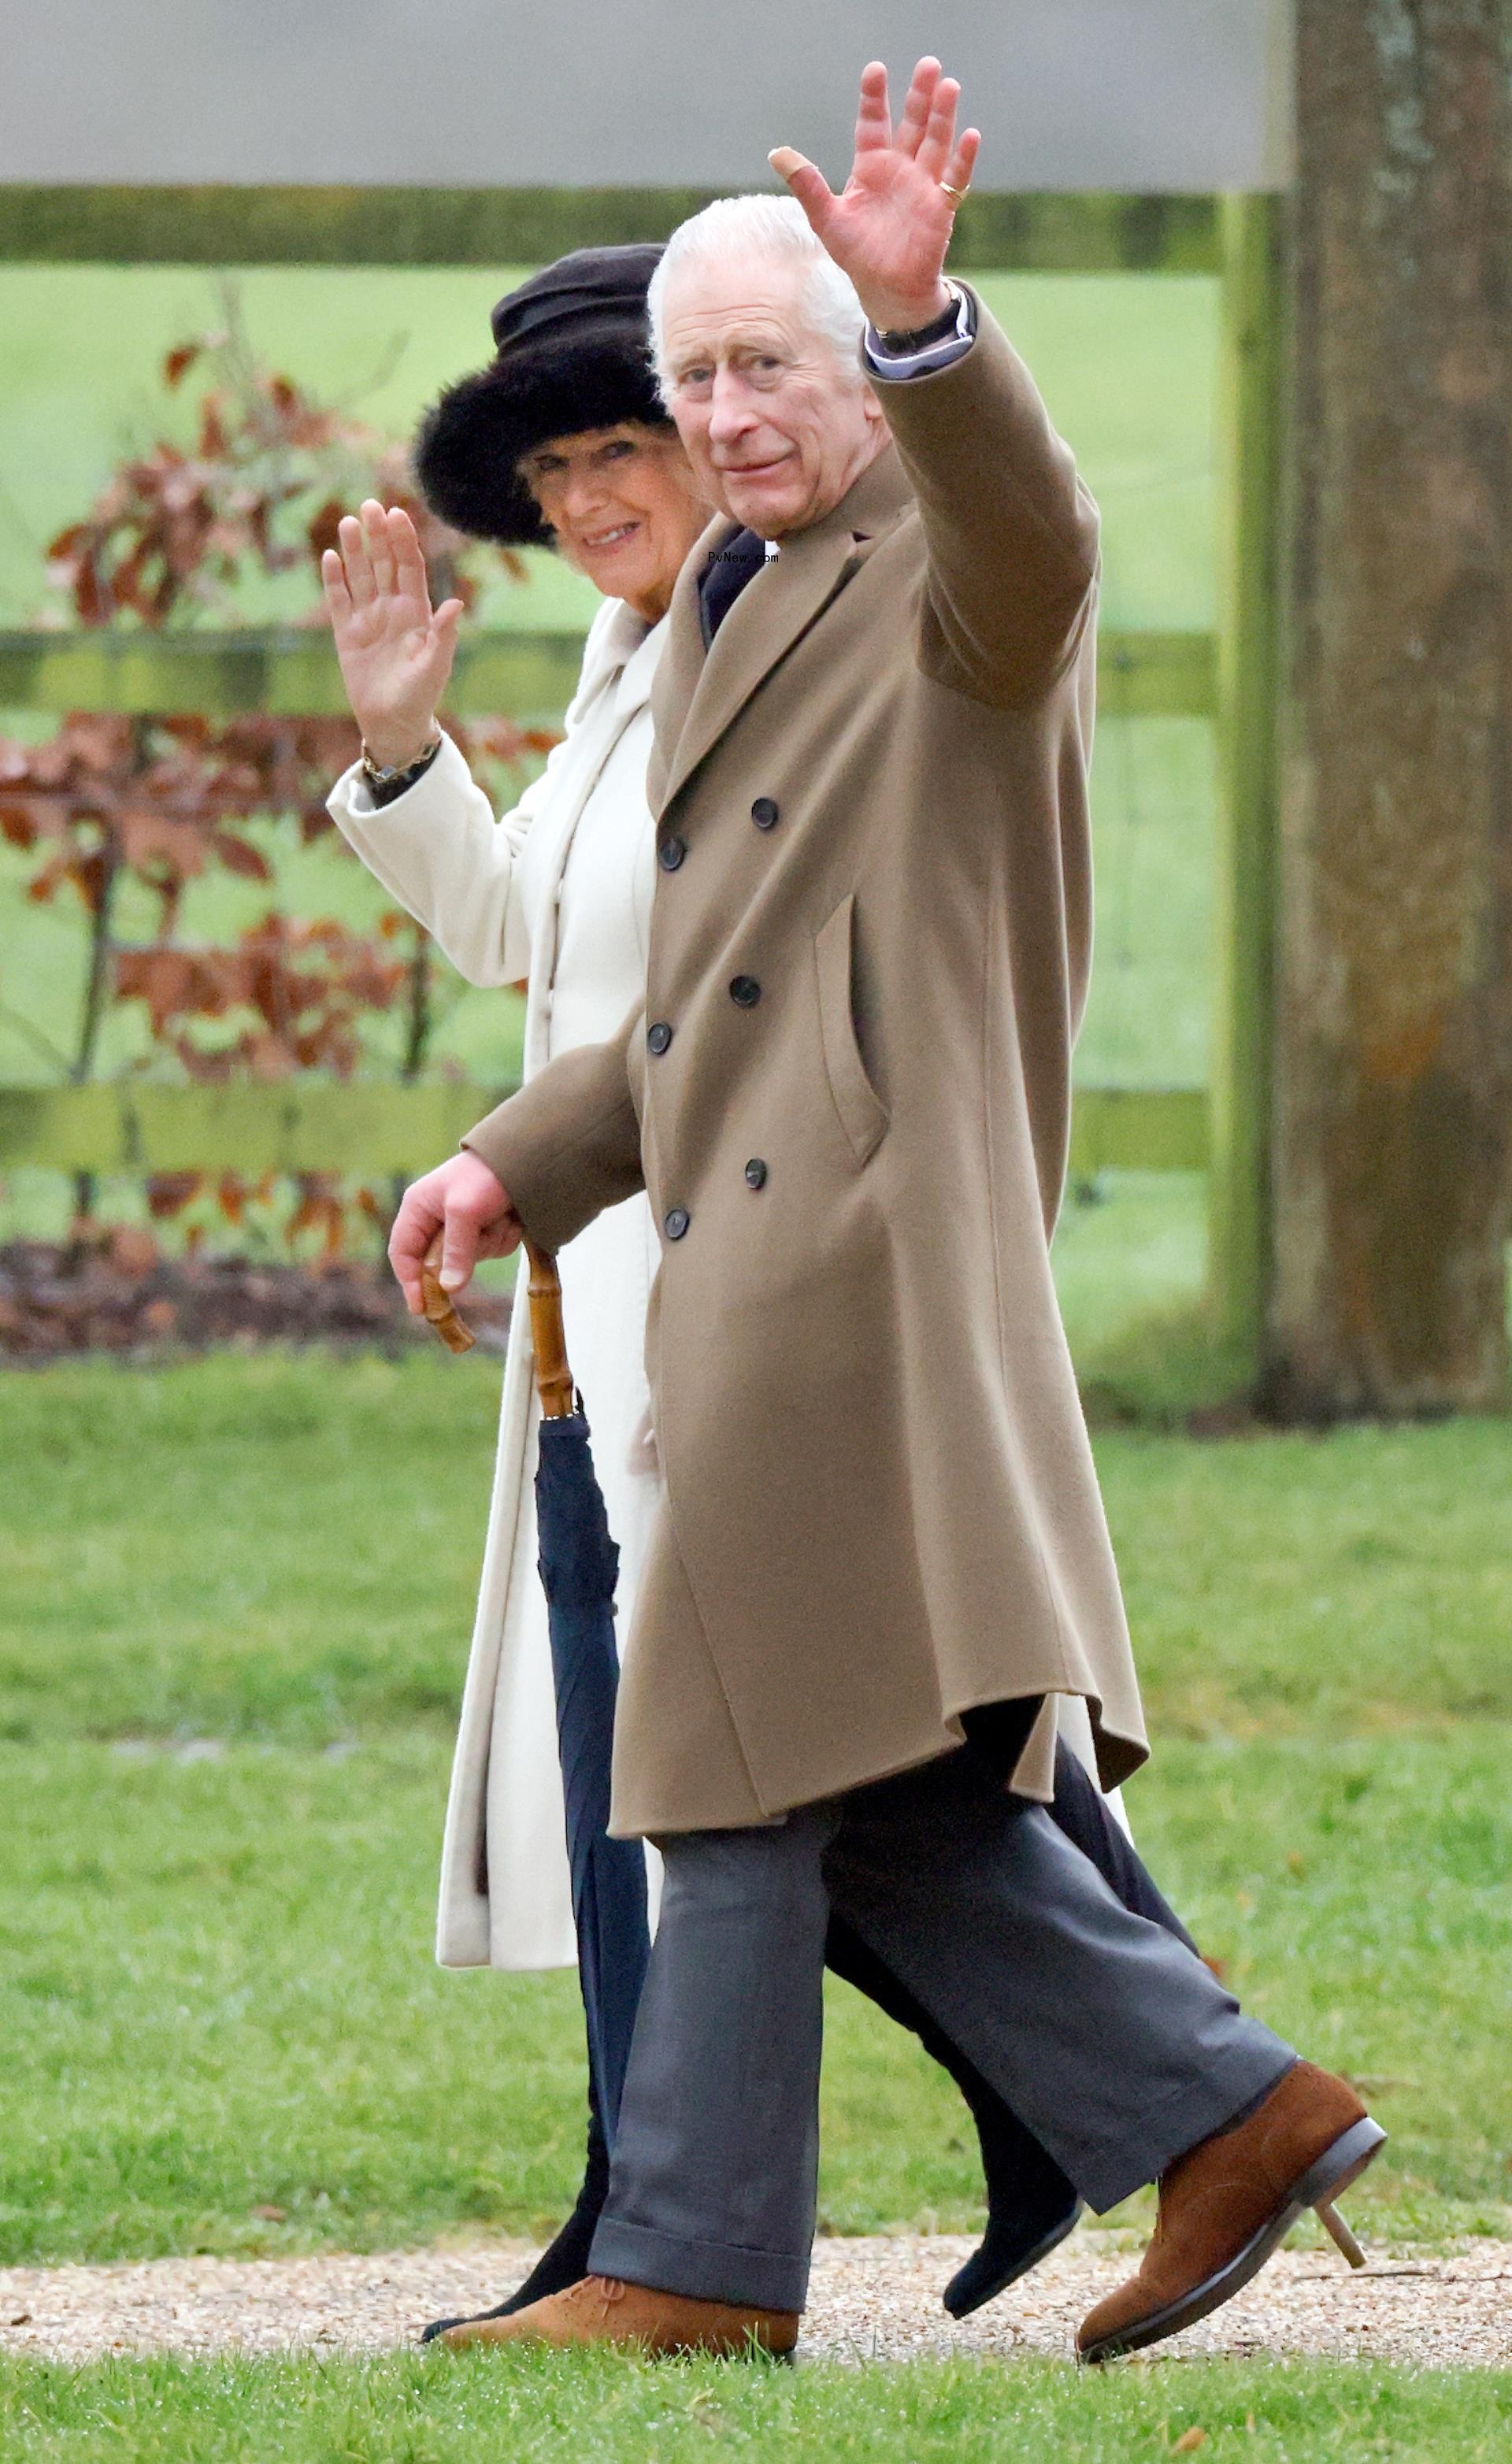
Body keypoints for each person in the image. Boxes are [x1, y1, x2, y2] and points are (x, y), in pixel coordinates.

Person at [385, 101, 1385, 2362]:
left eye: (774, 367)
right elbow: (705, 1004)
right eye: (701, 376)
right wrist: (517, 1157)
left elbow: (1037, 538)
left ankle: (695, 2268)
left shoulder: (945, 576)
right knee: (841, 1783)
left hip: (867, 1270)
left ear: (857, 384)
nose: (730, 417)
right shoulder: (729, 600)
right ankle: (1226, 2113)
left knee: (746, 1754)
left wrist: (934, 324)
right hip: (756, 1255)